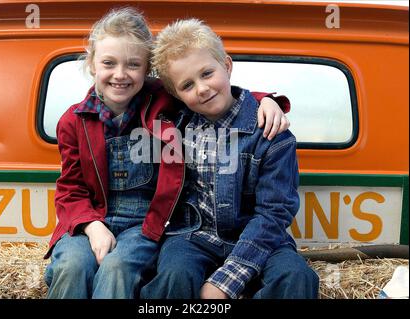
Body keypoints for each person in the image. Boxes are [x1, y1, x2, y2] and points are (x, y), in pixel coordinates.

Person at [43, 8, 291, 299]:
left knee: (118, 268)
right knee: (72, 266)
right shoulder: (73, 121)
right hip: (88, 219)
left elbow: (214, 93)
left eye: (133, 65)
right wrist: (92, 226)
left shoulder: (162, 102)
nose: (120, 74)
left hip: (142, 222)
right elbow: (70, 188)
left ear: (146, 71)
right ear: (92, 64)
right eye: (109, 63)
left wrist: (266, 101)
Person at [139, 18, 319, 299]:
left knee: (297, 278)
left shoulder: (271, 132)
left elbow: (274, 213)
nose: (201, 88)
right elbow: (121, 94)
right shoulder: (175, 127)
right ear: (176, 95)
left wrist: (225, 281)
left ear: (227, 65)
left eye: (207, 73)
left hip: (262, 237)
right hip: (194, 235)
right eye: (187, 85)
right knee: (174, 276)